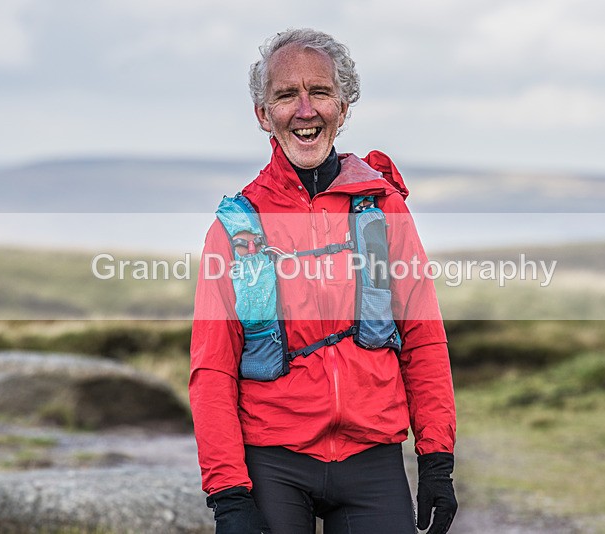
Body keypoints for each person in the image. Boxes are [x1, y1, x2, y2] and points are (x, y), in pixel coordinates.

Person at [189, 28, 457, 534]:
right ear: (263, 115)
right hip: (272, 460)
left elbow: (424, 338)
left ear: (344, 105)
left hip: (372, 457)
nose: (305, 110)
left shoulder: (382, 209)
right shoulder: (238, 227)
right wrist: (227, 495)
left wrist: (437, 458)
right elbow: (212, 369)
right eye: (286, 95)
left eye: (321, 92)